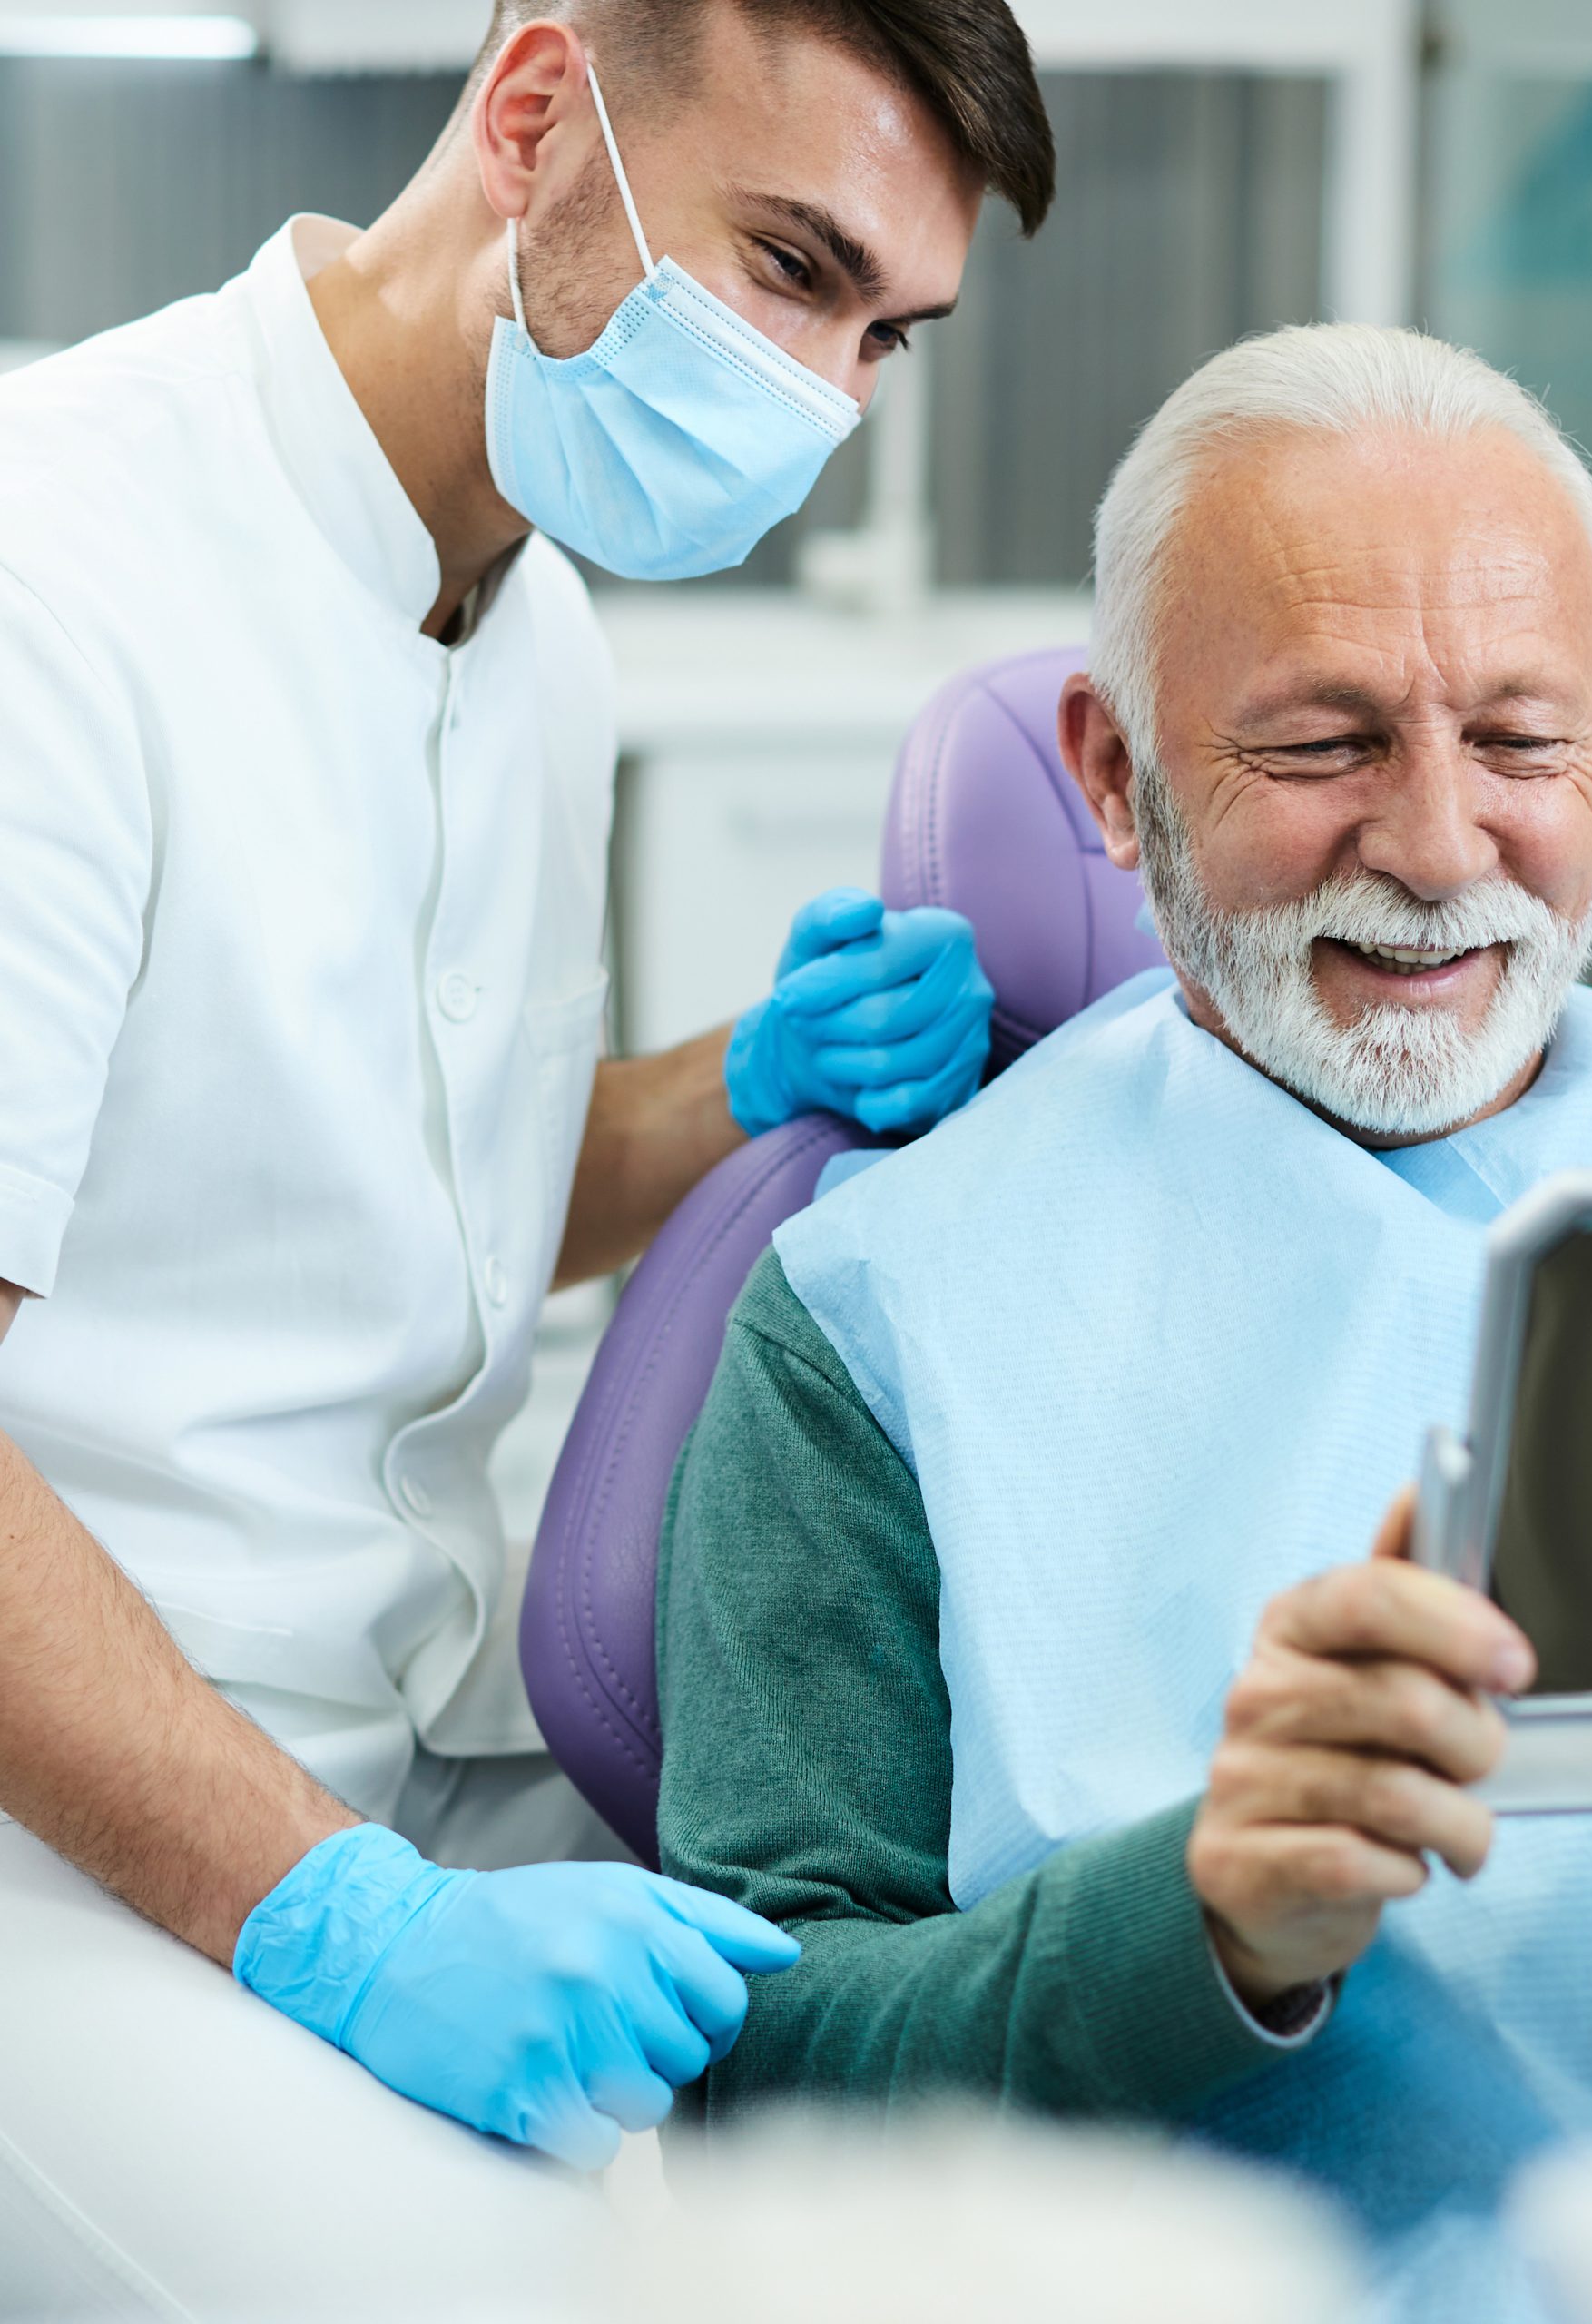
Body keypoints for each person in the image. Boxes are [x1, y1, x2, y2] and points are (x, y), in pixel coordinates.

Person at [656, 323, 1592, 2319]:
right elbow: (751, 2090)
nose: (1442, 845)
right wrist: (1197, 1920)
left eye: (1524, 741)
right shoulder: (876, 1325)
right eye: (1323, 745)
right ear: (1114, 770)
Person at [0, 0, 1054, 2240]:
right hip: (63, 1829)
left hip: (387, 1747)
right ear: (537, 111)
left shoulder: (535, 626)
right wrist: (335, 1922)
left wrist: (738, 1089)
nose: (827, 405)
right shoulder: (53, 575)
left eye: (890, 335)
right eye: (791, 268)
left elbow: (379, 1196)